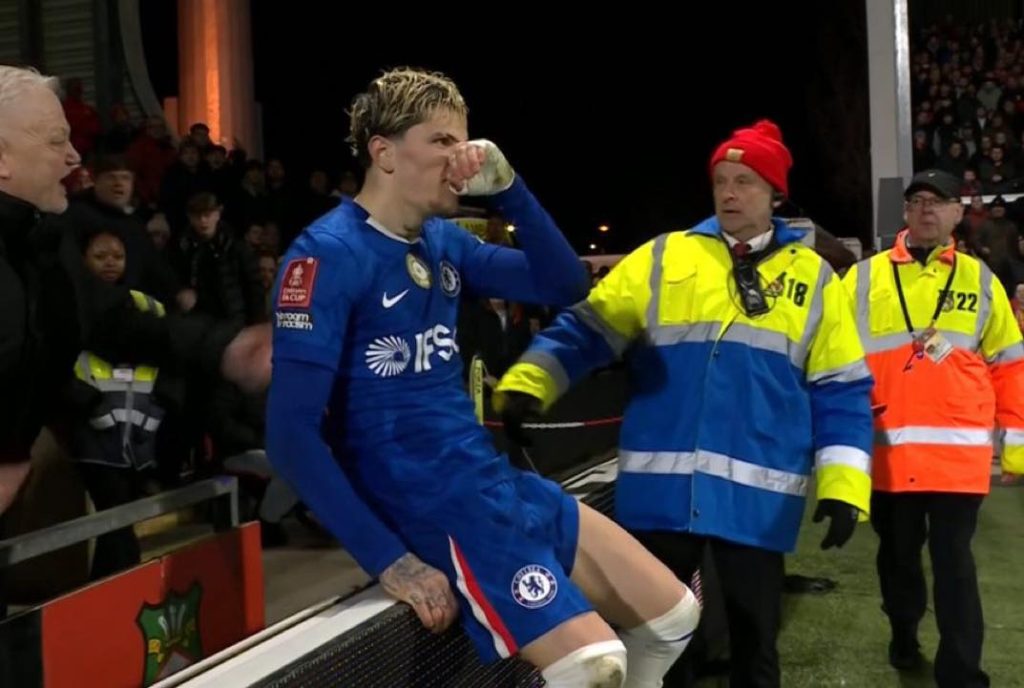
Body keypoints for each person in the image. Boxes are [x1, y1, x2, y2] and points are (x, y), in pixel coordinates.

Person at [265, 67, 701, 688]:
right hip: (429, 500)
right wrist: (390, 560)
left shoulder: (443, 242)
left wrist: (513, 189)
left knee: (674, 617)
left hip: (487, 477)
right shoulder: (326, 256)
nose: (463, 158)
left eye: (465, 141)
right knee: (594, 666)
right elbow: (290, 434)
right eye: (442, 141)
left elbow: (564, 284)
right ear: (384, 154)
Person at [497, 120, 874, 687]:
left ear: (775, 194)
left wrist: (846, 488)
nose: (728, 192)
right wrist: (530, 381)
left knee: (755, 648)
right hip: (662, 498)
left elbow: (841, 388)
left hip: (756, 504)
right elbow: (587, 331)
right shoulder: (664, 256)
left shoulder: (816, 279)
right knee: (661, 646)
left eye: (745, 181)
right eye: (721, 179)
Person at [0, 65, 269, 539]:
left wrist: (225, 347)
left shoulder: (43, 240)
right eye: (53, 140)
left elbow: (111, 316)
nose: (72, 156)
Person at [842, 169, 1024, 688]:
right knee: (897, 560)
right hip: (889, 456)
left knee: (955, 567)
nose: (925, 210)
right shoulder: (862, 278)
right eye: (916, 201)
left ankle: (962, 673)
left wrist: (1016, 446)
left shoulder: (980, 280)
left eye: (937, 202)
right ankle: (904, 629)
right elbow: (833, 361)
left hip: (957, 458)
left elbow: (1010, 364)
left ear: (956, 214)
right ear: (905, 212)